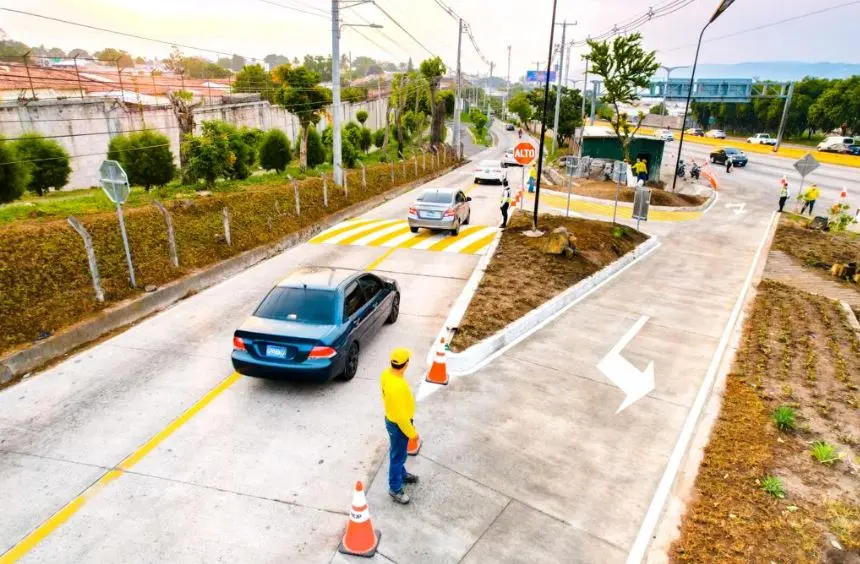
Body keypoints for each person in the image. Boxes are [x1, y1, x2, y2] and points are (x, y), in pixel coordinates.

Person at [381, 348, 419, 505]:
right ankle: (395, 489)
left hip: (391, 420)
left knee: (398, 452)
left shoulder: (386, 375)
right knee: (398, 457)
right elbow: (401, 417)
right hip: (399, 425)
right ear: (405, 364)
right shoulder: (398, 386)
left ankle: (401, 474)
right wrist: (412, 433)